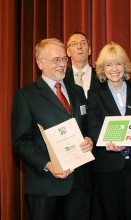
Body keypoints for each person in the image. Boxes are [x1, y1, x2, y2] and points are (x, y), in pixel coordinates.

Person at [11, 38, 93, 220]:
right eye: (56, 60)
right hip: (45, 185)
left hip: (80, 184)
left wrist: (89, 139)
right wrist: (48, 164)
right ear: (40, 63)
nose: (62, 64)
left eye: (64, 59)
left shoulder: (77, 91)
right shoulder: (26, 96)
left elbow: (86, 126)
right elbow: (21, 142)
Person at [87, 42, 131, 220]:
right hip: (108, 166)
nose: (114, 69)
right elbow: (93, 127)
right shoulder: (95, 95)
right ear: (102, 69)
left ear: (125, 66)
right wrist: (109, 142)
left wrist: (129, 143)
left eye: (118, 63)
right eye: (108, 64)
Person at [65, 31, 101, 98]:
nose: (79, 47)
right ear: (68, 52)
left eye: (83, 43)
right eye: (74, 44)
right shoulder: (62, 78)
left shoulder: (101, 77)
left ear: (89, 50)